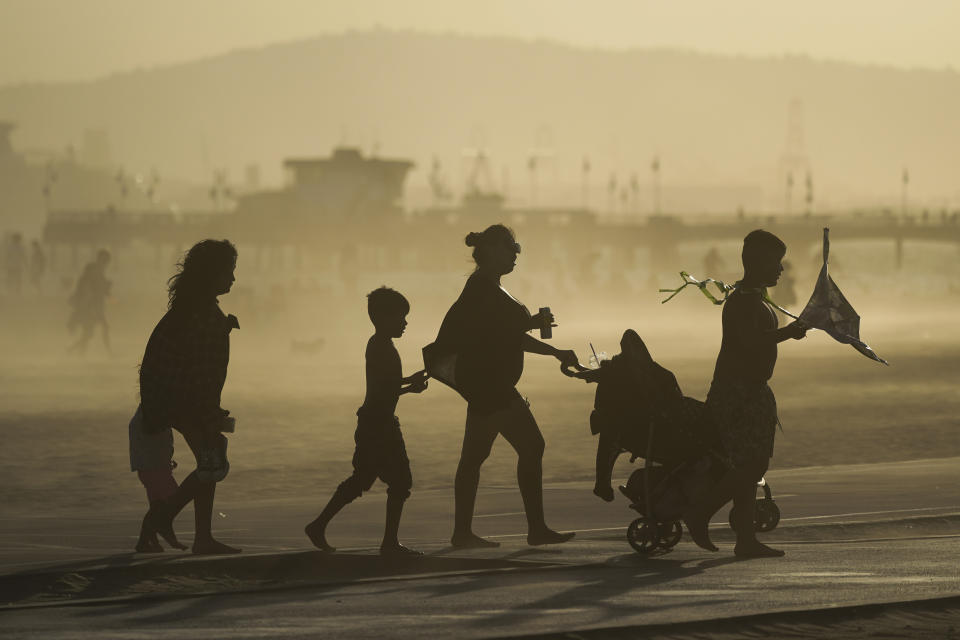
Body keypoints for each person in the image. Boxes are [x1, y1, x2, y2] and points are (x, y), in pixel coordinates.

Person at [430, 224, 582, 549]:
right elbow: (490, 334)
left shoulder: (491, 287)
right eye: (509, 248)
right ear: (491, 252)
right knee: (528, 447)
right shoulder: (480, 288)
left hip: (490, 386)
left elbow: (507, 334)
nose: (515, 254)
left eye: (516, 248)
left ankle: (465, 533)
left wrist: (553, 350)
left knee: (477, 457)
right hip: (491, 387)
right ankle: (532, 529)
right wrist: (534, 328)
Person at [682, 230, 806, 558]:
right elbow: (748, 342)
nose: (780, 269)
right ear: (756, 263)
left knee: (751, 465)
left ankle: (746, 540)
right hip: (737, 393)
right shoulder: (742, 300)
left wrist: (787, 331)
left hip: (752, 391)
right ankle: (700, 513)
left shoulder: (753, 297)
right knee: (750, 467)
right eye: (775, 263)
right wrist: (788, 333)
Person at [305, 287, 429, 556]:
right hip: (380, 425)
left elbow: (387, 384)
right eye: (400, 317)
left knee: (362, 479)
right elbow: (385, 388)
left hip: (374, 421)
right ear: (382, 317)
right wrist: (410, 387)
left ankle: (318, 525)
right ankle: (389, 543)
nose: (405, 323)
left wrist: (409, 384)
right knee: (400, 482)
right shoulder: (380, 347)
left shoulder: (380, 345)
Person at [139, 239, 241, 555]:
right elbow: (199, 371)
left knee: (208, 463)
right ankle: (163, 519)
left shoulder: (194, 309)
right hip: (182, 401)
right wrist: (209, 413)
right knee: (212, 464)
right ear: (213, 274)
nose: (233, 279)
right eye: (229, 271)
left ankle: (201, 537)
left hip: (170, 398)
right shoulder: (201, 314)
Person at [128, 406, 187, 553]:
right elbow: (155, 439)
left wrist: (167, 460)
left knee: (157, 504)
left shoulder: (145, 414)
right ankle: (164, 529)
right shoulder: (152, 415)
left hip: (148, 467)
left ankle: (145, 541)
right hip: (155, 468)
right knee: (173, 499)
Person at [67, 249, 112, 353]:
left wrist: (106, 288)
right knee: (98, 329)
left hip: (93, 304)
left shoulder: (97, 270)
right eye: (106, 261)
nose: (106, 264)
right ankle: (109, 352)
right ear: (102, 259)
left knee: (89, 332)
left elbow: (99, 286)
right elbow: (92, 286)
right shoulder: (94, 270)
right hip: (91, 305)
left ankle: (76, 351)